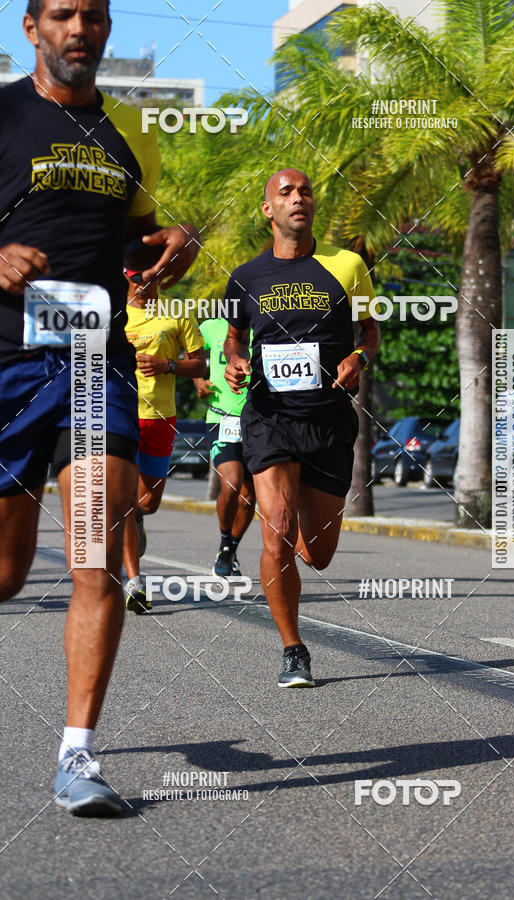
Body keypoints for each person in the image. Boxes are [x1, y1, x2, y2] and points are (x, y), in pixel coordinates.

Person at [0, 0, 199, 816]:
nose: (79, 29)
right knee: (8, 574)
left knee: (95, 558)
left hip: (95, 367)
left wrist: (170, 247)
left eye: (93, 16)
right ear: (32, 28)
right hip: (8, 365)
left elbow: (137, 242)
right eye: (62, 15)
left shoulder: (129, 131)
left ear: (108, 30)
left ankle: (76, 757)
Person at [224, 169, 380, 688]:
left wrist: (358, 356)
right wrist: (235, 362)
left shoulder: (347, 265)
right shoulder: (245, 278)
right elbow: (233, 341)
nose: (298, 199)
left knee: (317, 553)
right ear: (267, 209)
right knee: (280, 527)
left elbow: (371, 330)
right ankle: (293, 648)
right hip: (270, 417)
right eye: (286, 193)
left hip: (329, 421)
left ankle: (291, 559)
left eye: (305, 191)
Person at [123, 270, 206, 612]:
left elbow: (200, 365)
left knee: (147, 503)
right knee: (123, 501)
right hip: (119, 416)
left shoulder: (178, 311)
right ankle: (134, 582)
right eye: (138, 278)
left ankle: (138, 520)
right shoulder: (112, 313)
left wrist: (168, 365)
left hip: (160, 418)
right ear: (126, 277)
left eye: (152, 278)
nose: (145, 284)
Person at [194, 318, 255, 577]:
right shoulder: (211, 326)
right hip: (222, 417)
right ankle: (224, 540)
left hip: (258, 421)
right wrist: (198, 380)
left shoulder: (265, 325)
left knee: (249, 496)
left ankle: (230, 549)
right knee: (231, 482)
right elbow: (191, 351)